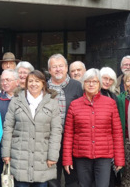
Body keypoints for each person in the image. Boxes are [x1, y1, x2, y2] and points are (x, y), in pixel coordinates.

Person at [62, 68, 125, 187]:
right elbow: (69, 134)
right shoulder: (75, 105)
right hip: (82, 156)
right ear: (83, 84)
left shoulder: (110, 103)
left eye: (95, 81)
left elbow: (117, 133)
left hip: (104, 157)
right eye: (87, 81)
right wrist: (67, 159)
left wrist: (119, 159)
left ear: (99, 84)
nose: (91, 84)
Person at [2, 70, 62, 186]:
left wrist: (53, 156)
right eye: (31, 81)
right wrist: (6, 153)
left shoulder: (51, 103)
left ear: (43, 83)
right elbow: (8, 128)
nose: (33, 84)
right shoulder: (16, 101)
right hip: (19, 156)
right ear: (26, 83)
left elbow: (56, 131)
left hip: (42, 156)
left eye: (37, 81)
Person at [46, 53, 82, 187]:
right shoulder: (43, 87)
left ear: (66, 68)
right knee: (51, 176)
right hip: (48, 138)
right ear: (49, 70)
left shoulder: (77, 86)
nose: (58, 69)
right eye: (54, 67)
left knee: (72, 175)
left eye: (61, 66)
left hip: (71, 138)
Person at [0, 69, 18, 187]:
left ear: (17, 81)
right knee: (1, 179)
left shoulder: (24, 98)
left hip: (19, 146)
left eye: (8, 80)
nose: (4, 83)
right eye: (2, 80)